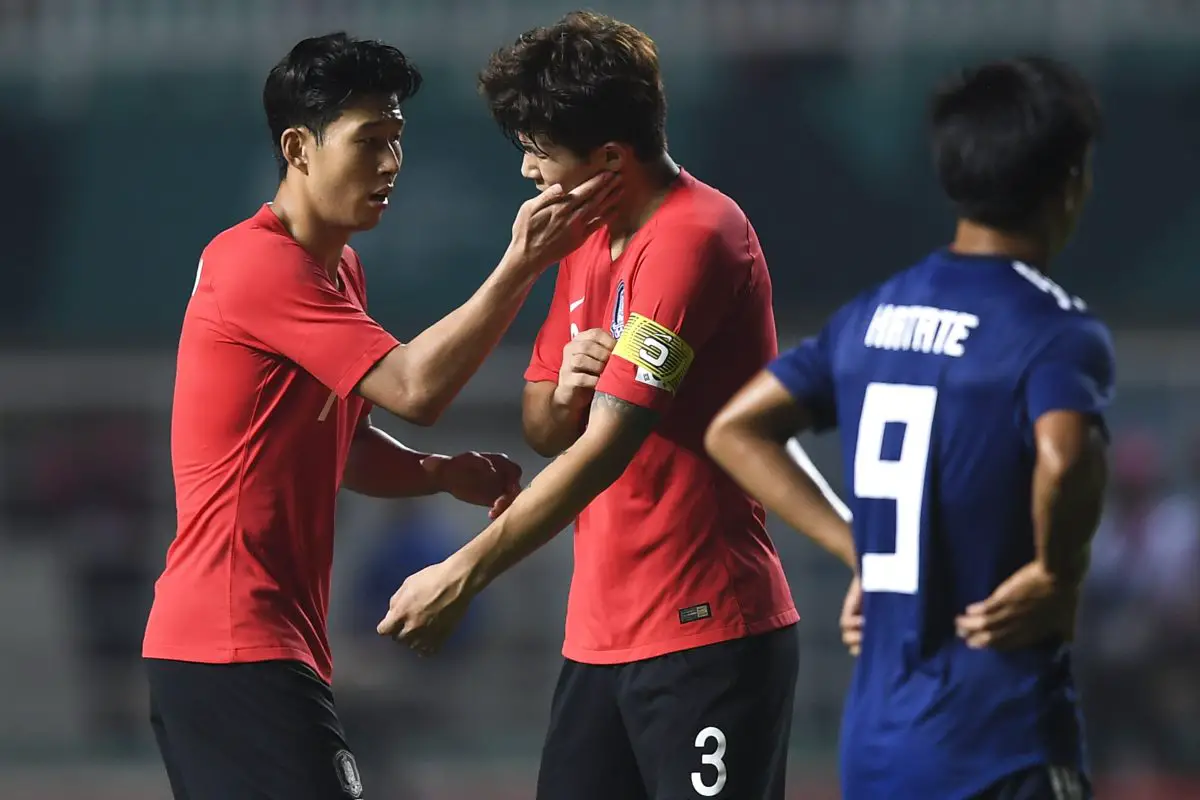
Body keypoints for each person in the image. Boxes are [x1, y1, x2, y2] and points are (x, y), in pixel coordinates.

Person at [142, 32, 619, 800]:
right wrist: (522, 262)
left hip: (258, 645)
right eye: (370, 142)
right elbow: (416, 387)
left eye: (397, 140)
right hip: (228, 643)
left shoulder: (339, 268)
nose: (391, 164)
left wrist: (435, 473)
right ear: (299, 147)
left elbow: (346, 440)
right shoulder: (255, 264)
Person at [376, 12, 799, 800]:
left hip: (705, 632)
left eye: (541, 152)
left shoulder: (696, 237)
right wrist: (569, 384)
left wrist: (464, 572)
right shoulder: (583, 237)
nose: (530, 171)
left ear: (610, 157)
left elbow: (606, 449)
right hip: (599, 641)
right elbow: (546, 426)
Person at [705, 57, 1112, 799]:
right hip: (1003, 740)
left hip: (879, 751)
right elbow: (1065, 448)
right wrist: (1058, 573)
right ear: (1071, 182)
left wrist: (865, 550)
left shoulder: (873, 316)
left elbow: (735, 428)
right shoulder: (1054, 330)